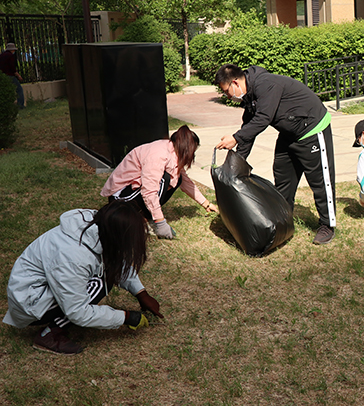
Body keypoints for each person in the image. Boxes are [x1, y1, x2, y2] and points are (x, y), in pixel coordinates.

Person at [3, 201, 164, 355]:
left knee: (106, 271)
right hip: (30, 302)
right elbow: (78, 311)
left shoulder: (99, 224)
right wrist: (125, 317)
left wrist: (141, 292)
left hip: (40, 288)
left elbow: (113, 257)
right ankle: (50, 334)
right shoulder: (73, 257)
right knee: (101, 282)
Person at [214, 64, 336, 245]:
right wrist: (237, 162)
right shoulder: (249, 96)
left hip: (312, 129)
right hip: (289, 133)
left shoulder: (266, 84)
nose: (228, 96)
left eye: (227, 92)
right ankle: (283, 221)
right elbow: (249, 129)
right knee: (283, 176)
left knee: (319, 181)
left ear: (235, 82)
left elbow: (263, 118)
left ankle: (327, 225)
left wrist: (235, 138)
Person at [101, 125, 217, 239]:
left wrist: (206, 204)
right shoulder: (158, 155)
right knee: (165, 179)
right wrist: (160, 222)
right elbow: (149, 191)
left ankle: (144, 216)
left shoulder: (173, 151)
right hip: (121, 198)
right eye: (193, 151)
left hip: (134, 192)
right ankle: (142, 217)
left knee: (178, 178)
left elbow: (186, 182)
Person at [0, 42, 24, 109]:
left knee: (6, 91)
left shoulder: (1, 55)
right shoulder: (10, 56)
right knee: (19, 89)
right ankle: (20, 105)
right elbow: (12, 67)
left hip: (3, 75)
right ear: (12, 50)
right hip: (10, 75)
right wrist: (18, 75)